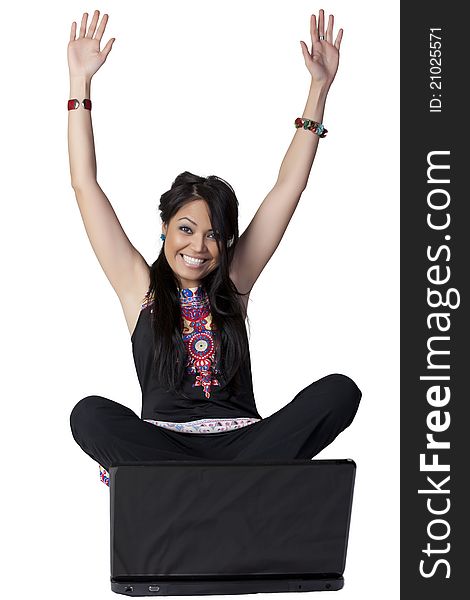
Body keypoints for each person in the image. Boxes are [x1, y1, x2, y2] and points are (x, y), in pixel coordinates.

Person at [67, 8, 361, 488]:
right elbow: (85, 185)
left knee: (339, 392)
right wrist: (80, 81)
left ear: (226, 241)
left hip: (247, 444)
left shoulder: (235, 282)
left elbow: (288, 187)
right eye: (186, 229)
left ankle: (212, 480)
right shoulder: (138, 287)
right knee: (89, 415)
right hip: (165, 445)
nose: (198, 247)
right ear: (165, 229)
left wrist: (319, 89)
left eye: (213, 235)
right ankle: (215, 481)